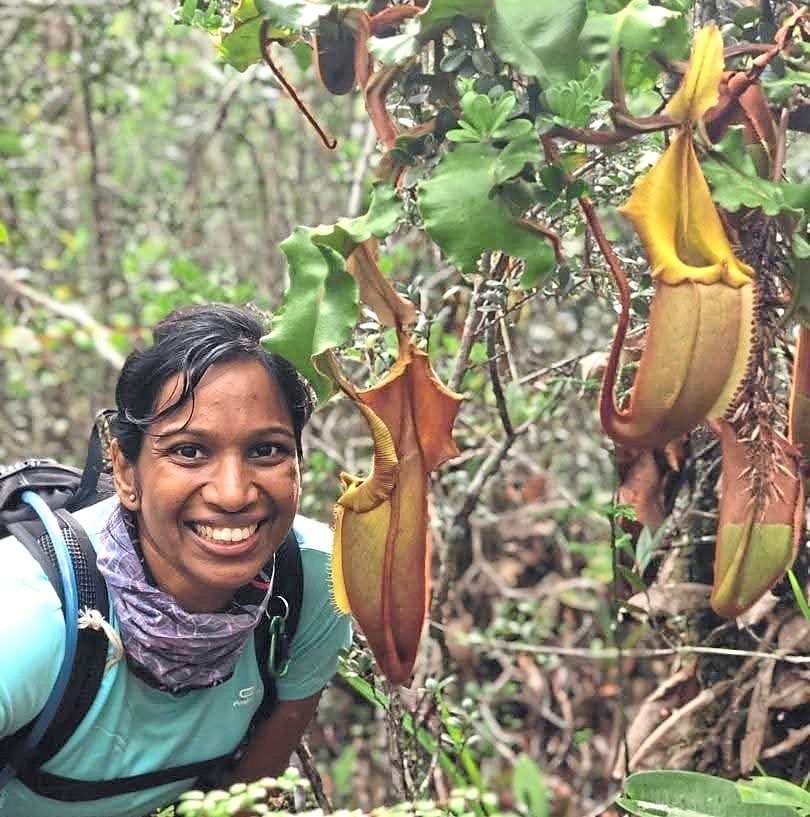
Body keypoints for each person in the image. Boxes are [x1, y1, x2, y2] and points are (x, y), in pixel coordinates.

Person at [0, 304, 352, 817]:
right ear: (125, 472)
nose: (233, 494)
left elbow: (245, 802)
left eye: (267, 451)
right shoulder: (30, 619)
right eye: (189, 452)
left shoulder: (315, 583)